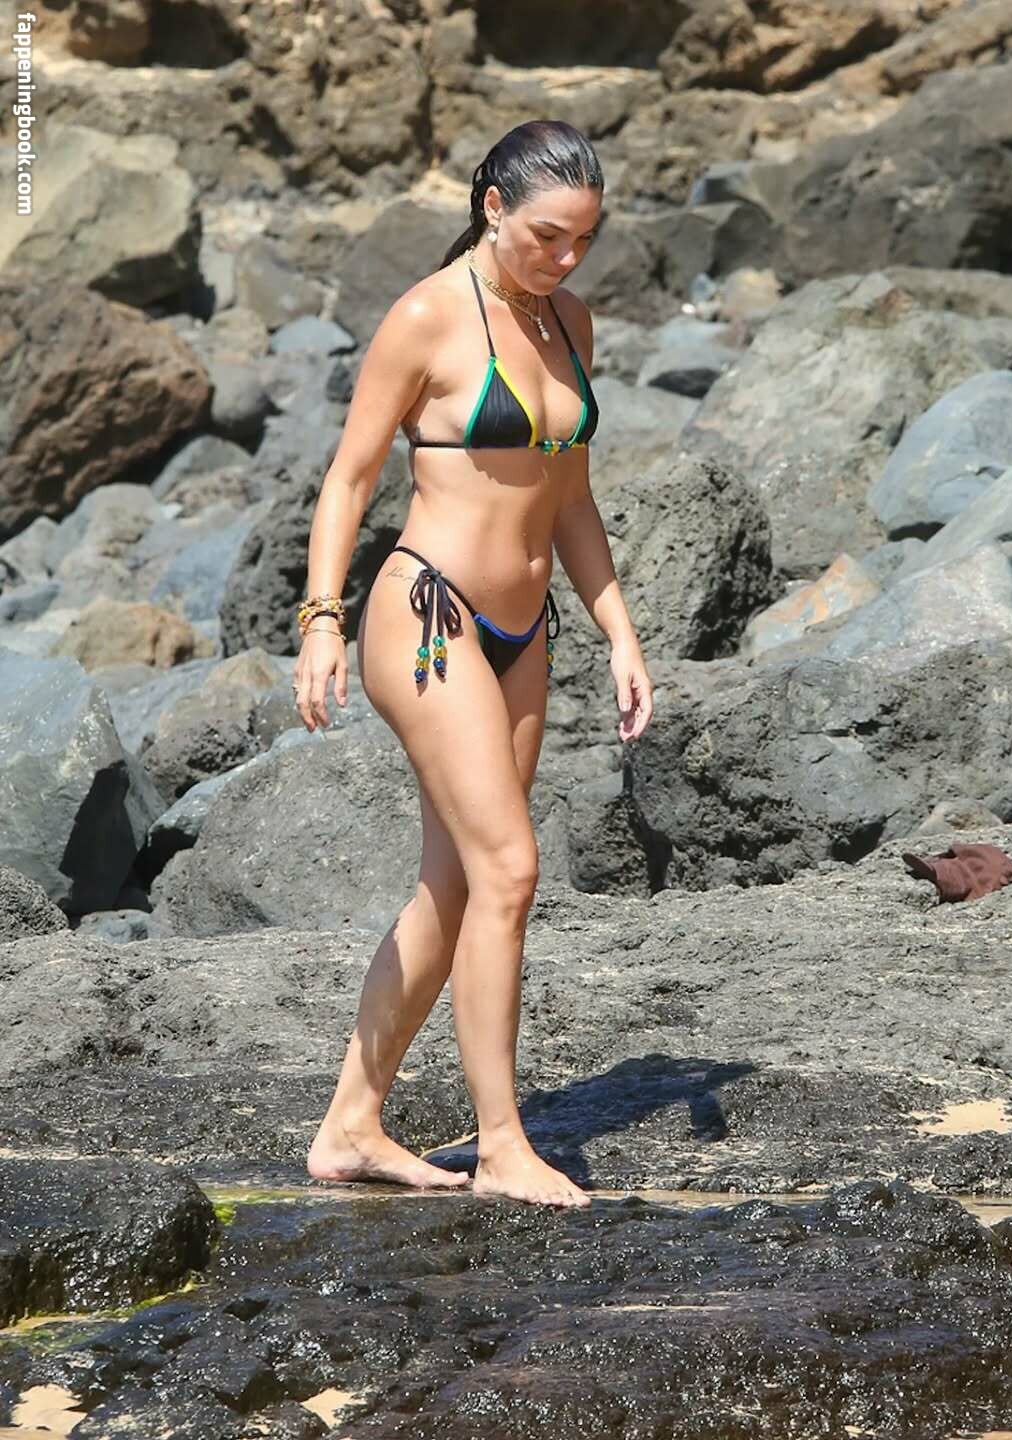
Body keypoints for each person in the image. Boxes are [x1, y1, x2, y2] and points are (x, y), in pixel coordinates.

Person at [293, 119, 653, 1209]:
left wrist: (619, 630)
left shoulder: (568, 319)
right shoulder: (428, 317)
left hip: (523, 631)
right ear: (493, 206)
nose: (565, 258)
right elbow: (351, 478)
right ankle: (502, 1145)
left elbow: (571, 496)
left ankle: (351, 1126)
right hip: (428, 617)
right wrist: (321, 620)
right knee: (509, 870)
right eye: (547, 236)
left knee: (456, 886)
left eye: (584, 240)